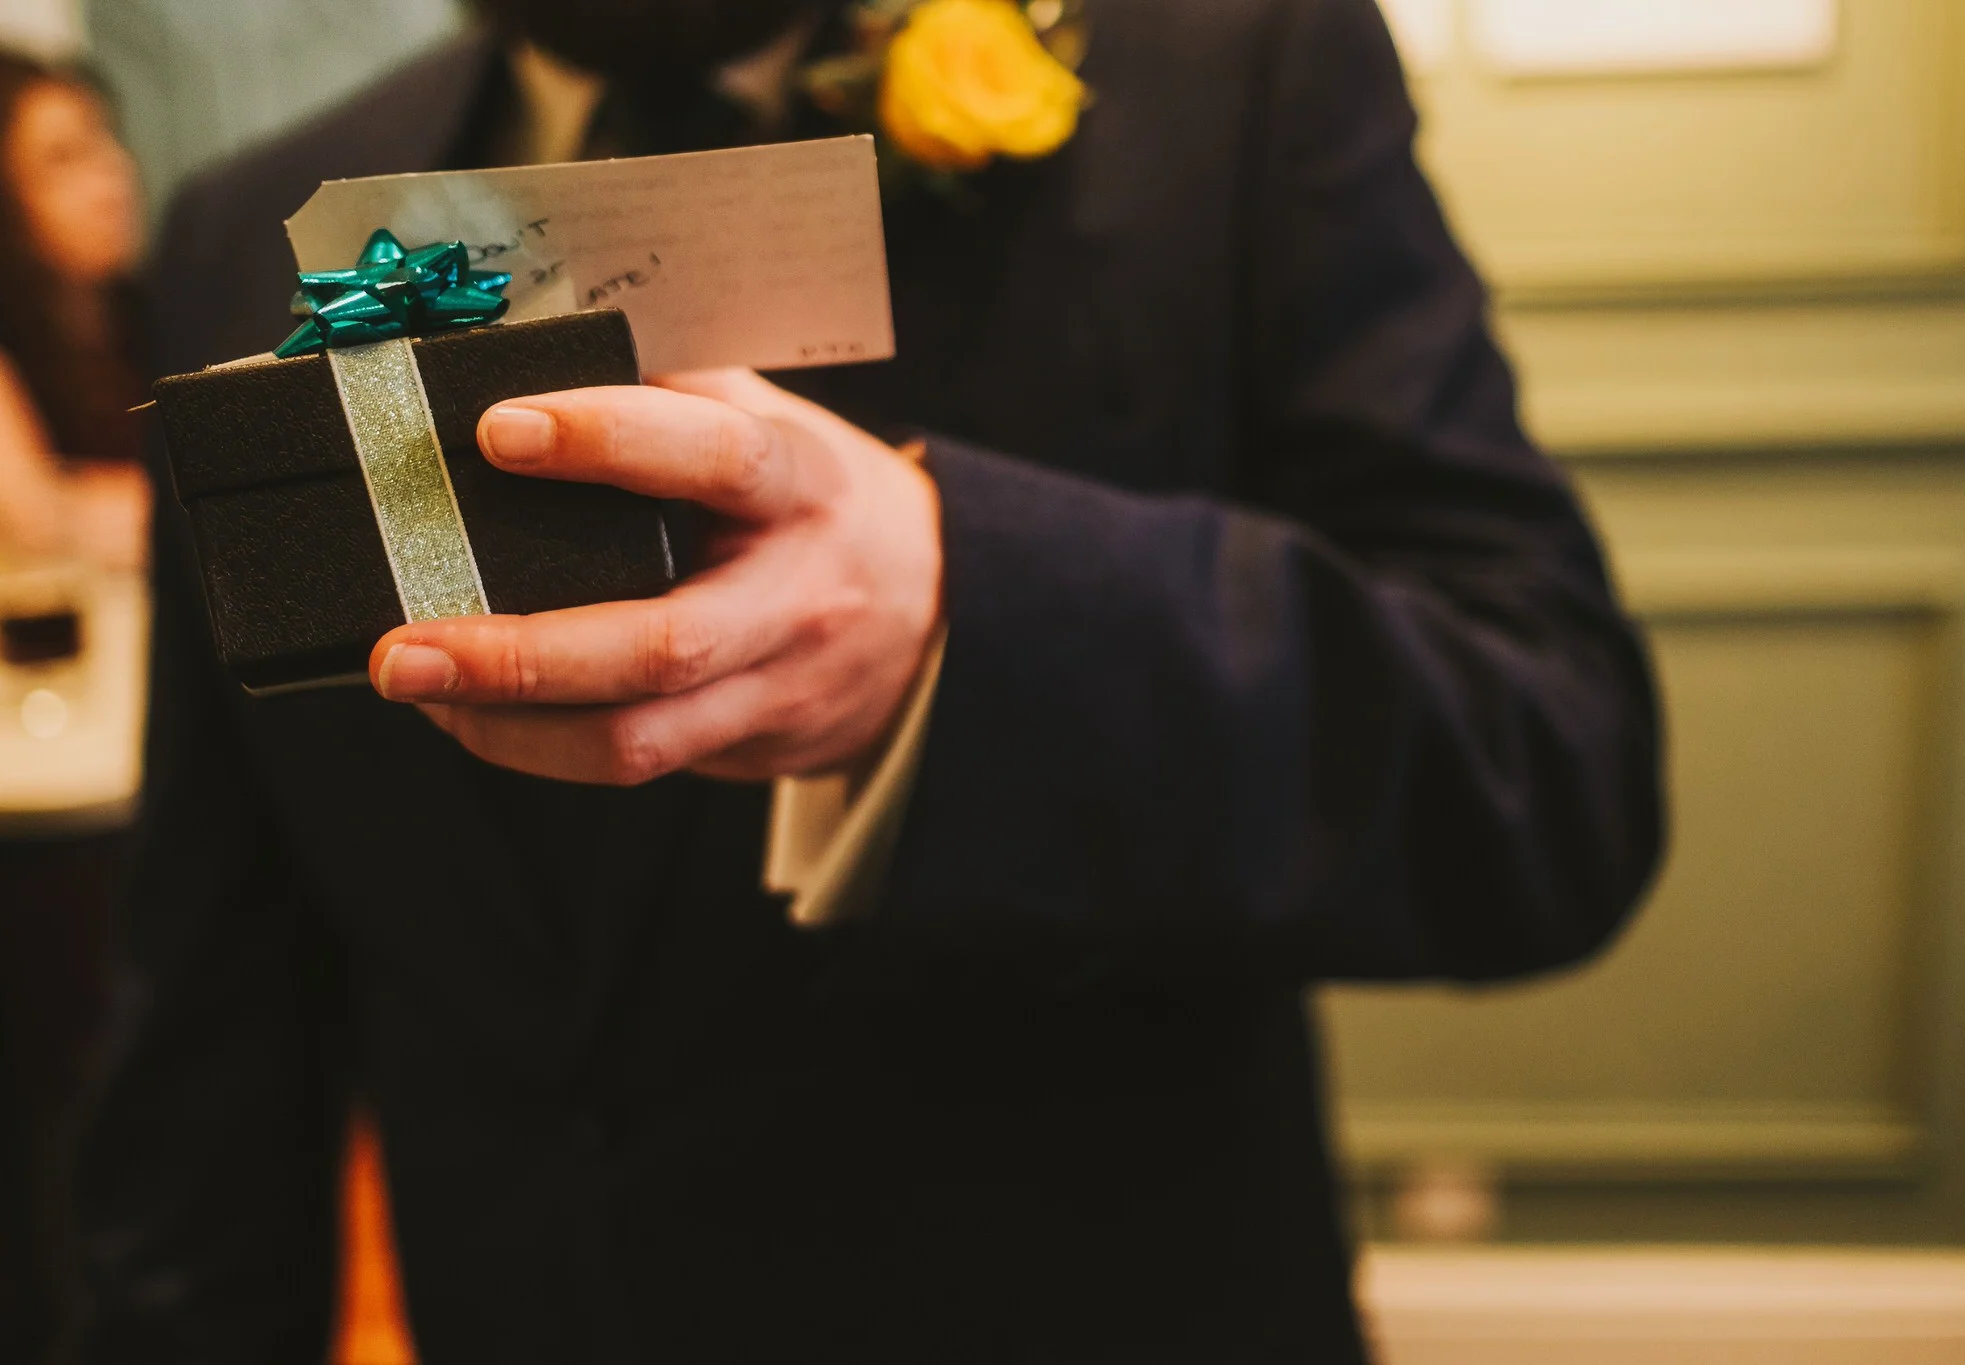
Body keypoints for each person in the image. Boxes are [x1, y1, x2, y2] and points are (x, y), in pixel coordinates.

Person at [79, 2, 1665, 1362]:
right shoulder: (250, 240)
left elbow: (1549, 760)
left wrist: (975, 613)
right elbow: (215, 1016)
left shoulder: (1236, 64)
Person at [0, 48, 148, 1365]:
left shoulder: (137, 315)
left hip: (126, 751)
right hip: (41, 783)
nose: (110, 179)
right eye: (60, 158)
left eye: (106, 143)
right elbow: (41, 514)